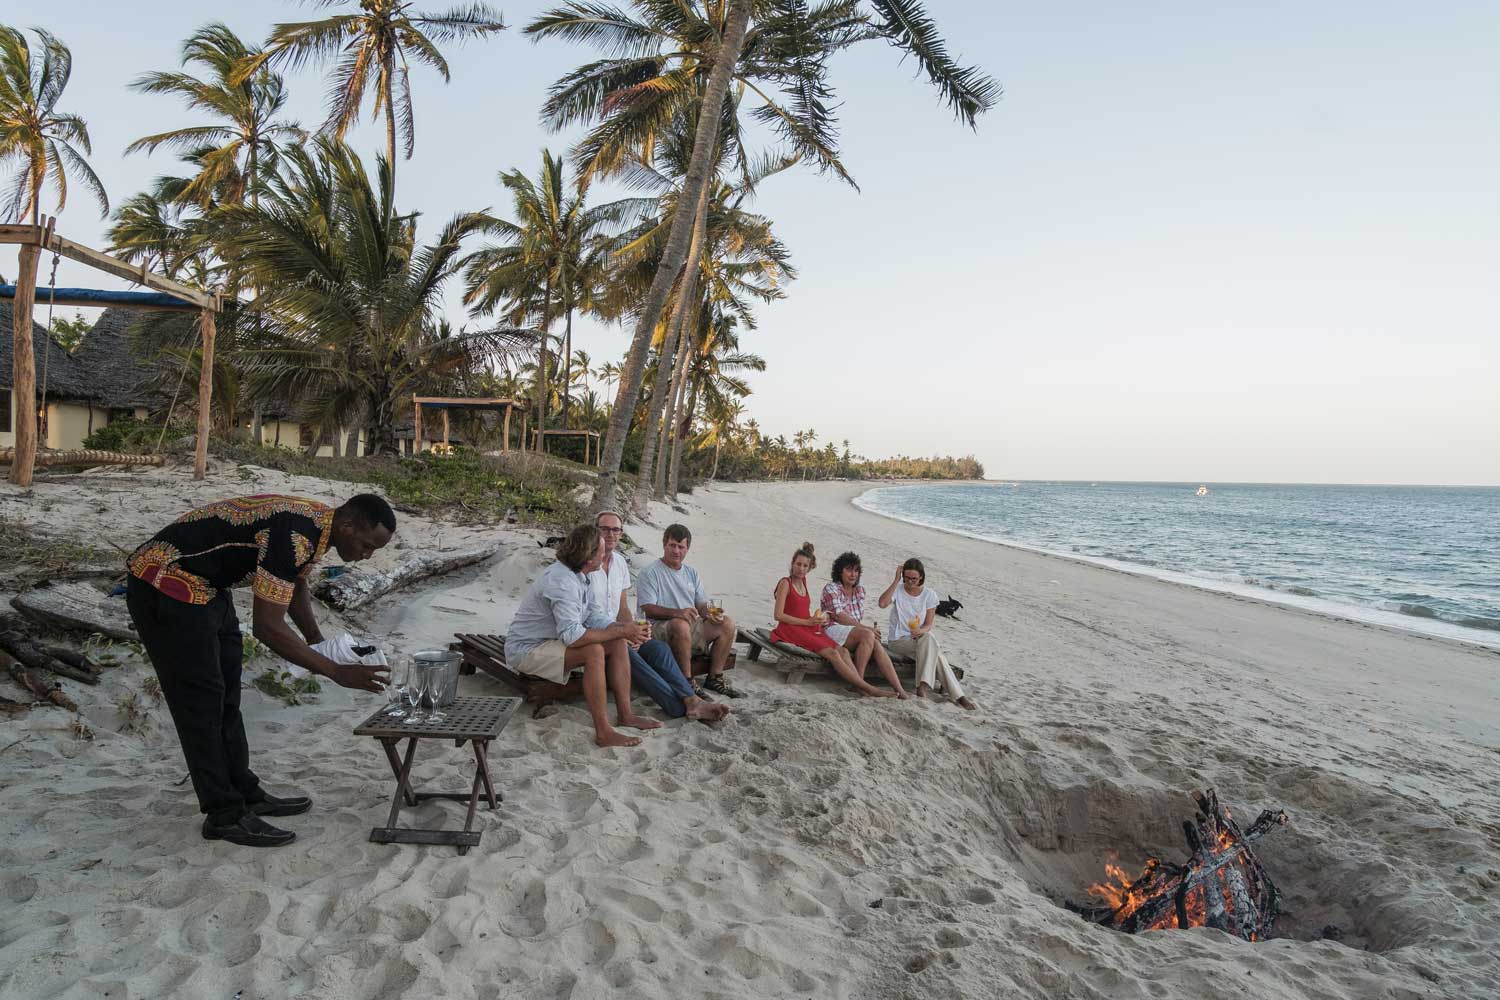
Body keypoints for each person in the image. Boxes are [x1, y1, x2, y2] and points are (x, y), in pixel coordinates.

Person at [126, 493, 397, 848]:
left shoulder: (318, 526)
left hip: (208, 586)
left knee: (226, 695)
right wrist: (335, 671)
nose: (367, 555)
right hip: (165, 584)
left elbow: (294, 581)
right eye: (366, 545)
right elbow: (268, 627)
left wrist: (316, 641)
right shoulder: (294, 535)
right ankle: (224, 815)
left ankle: (244, 792)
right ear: (347, 526)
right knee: (201, 703)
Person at [506, 524, 664, 748]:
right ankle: (603, 732)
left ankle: (626, 714)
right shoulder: (562, 581)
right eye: (601, 550)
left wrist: (624, 628)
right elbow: (572, 636)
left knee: (617, 641)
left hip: (553, 642)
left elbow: (593, 615)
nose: (605, 553)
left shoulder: (581, 575)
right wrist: (621, 630)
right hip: (527, 649)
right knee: (594, 651)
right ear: (589, 556)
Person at [588, 511, 728, 723]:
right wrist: (622, 632)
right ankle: (680, 705)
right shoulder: (587, 565)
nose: (610, 534)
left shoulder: (619, 563)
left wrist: (631, 631)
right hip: (601, 634)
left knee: (657, 649)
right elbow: (588, 615)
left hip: (620, 630)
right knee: (628, 654)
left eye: (615, 529)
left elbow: (623, 608)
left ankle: (694, 697)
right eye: (604, 529)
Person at [770, 543, 894, 698]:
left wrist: (816, 619)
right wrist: (807, 622)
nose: (801, 569)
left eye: (805, 566)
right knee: (833, 654)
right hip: (790, 628)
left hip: (807, 626)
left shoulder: (803, 582)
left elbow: (802, 611)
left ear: (809, 568)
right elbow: (778, 615)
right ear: (792, 564)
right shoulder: (785, 583)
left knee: (842, 651)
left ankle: (860, 686)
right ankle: (870, 689)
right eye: (798, 564)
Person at [636, 523, 744, 698]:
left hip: (688, 625)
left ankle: (715, 677)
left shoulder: (691, 573)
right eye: (672, 545)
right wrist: (677, 613)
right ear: (664, 545)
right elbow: (648, 609)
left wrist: (710, 613)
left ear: (687, 549)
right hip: (659, 628)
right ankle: (687, 680)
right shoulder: (650, 573)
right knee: (680, 625)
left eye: (681, 547)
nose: (676, 551)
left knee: (727, 623)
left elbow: (701, 603)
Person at [879, 558, 975, 710]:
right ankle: (957, 696)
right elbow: (882, 603)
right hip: (898, 641)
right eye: (907, 578)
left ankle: (923, 688)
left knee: (930, 642)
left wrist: (919, 631)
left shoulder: (929, 595)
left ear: (921, 577)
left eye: (914, 579)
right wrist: (896, 580)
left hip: (920, 638)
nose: (910, 582)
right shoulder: (898, 590)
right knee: (934, 648)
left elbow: (928, 625)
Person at [820, 551, 909, 698]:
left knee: (876, 643)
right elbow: (838, 616)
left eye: (856, 570)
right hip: (831, 629)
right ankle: (859, 683)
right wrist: (866, 629)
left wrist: (866, 631)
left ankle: (900, 690)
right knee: (869, 634)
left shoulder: (860, 591)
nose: (853, 574)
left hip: (851, 632)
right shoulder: (832, 588)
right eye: (848, 569)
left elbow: (856, 620)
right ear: (839, 571)